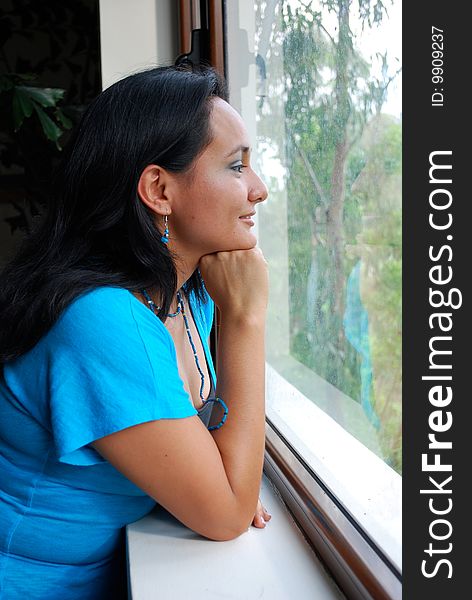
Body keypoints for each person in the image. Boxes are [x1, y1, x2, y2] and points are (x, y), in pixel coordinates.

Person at [0, 64, 270, 599]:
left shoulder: (189, 295)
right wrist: (247, 321)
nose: (258, 190)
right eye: (237, 166)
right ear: (158, 189)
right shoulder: (101, 320)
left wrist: (217, 473)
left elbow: (208, 456)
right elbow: (227, 515)